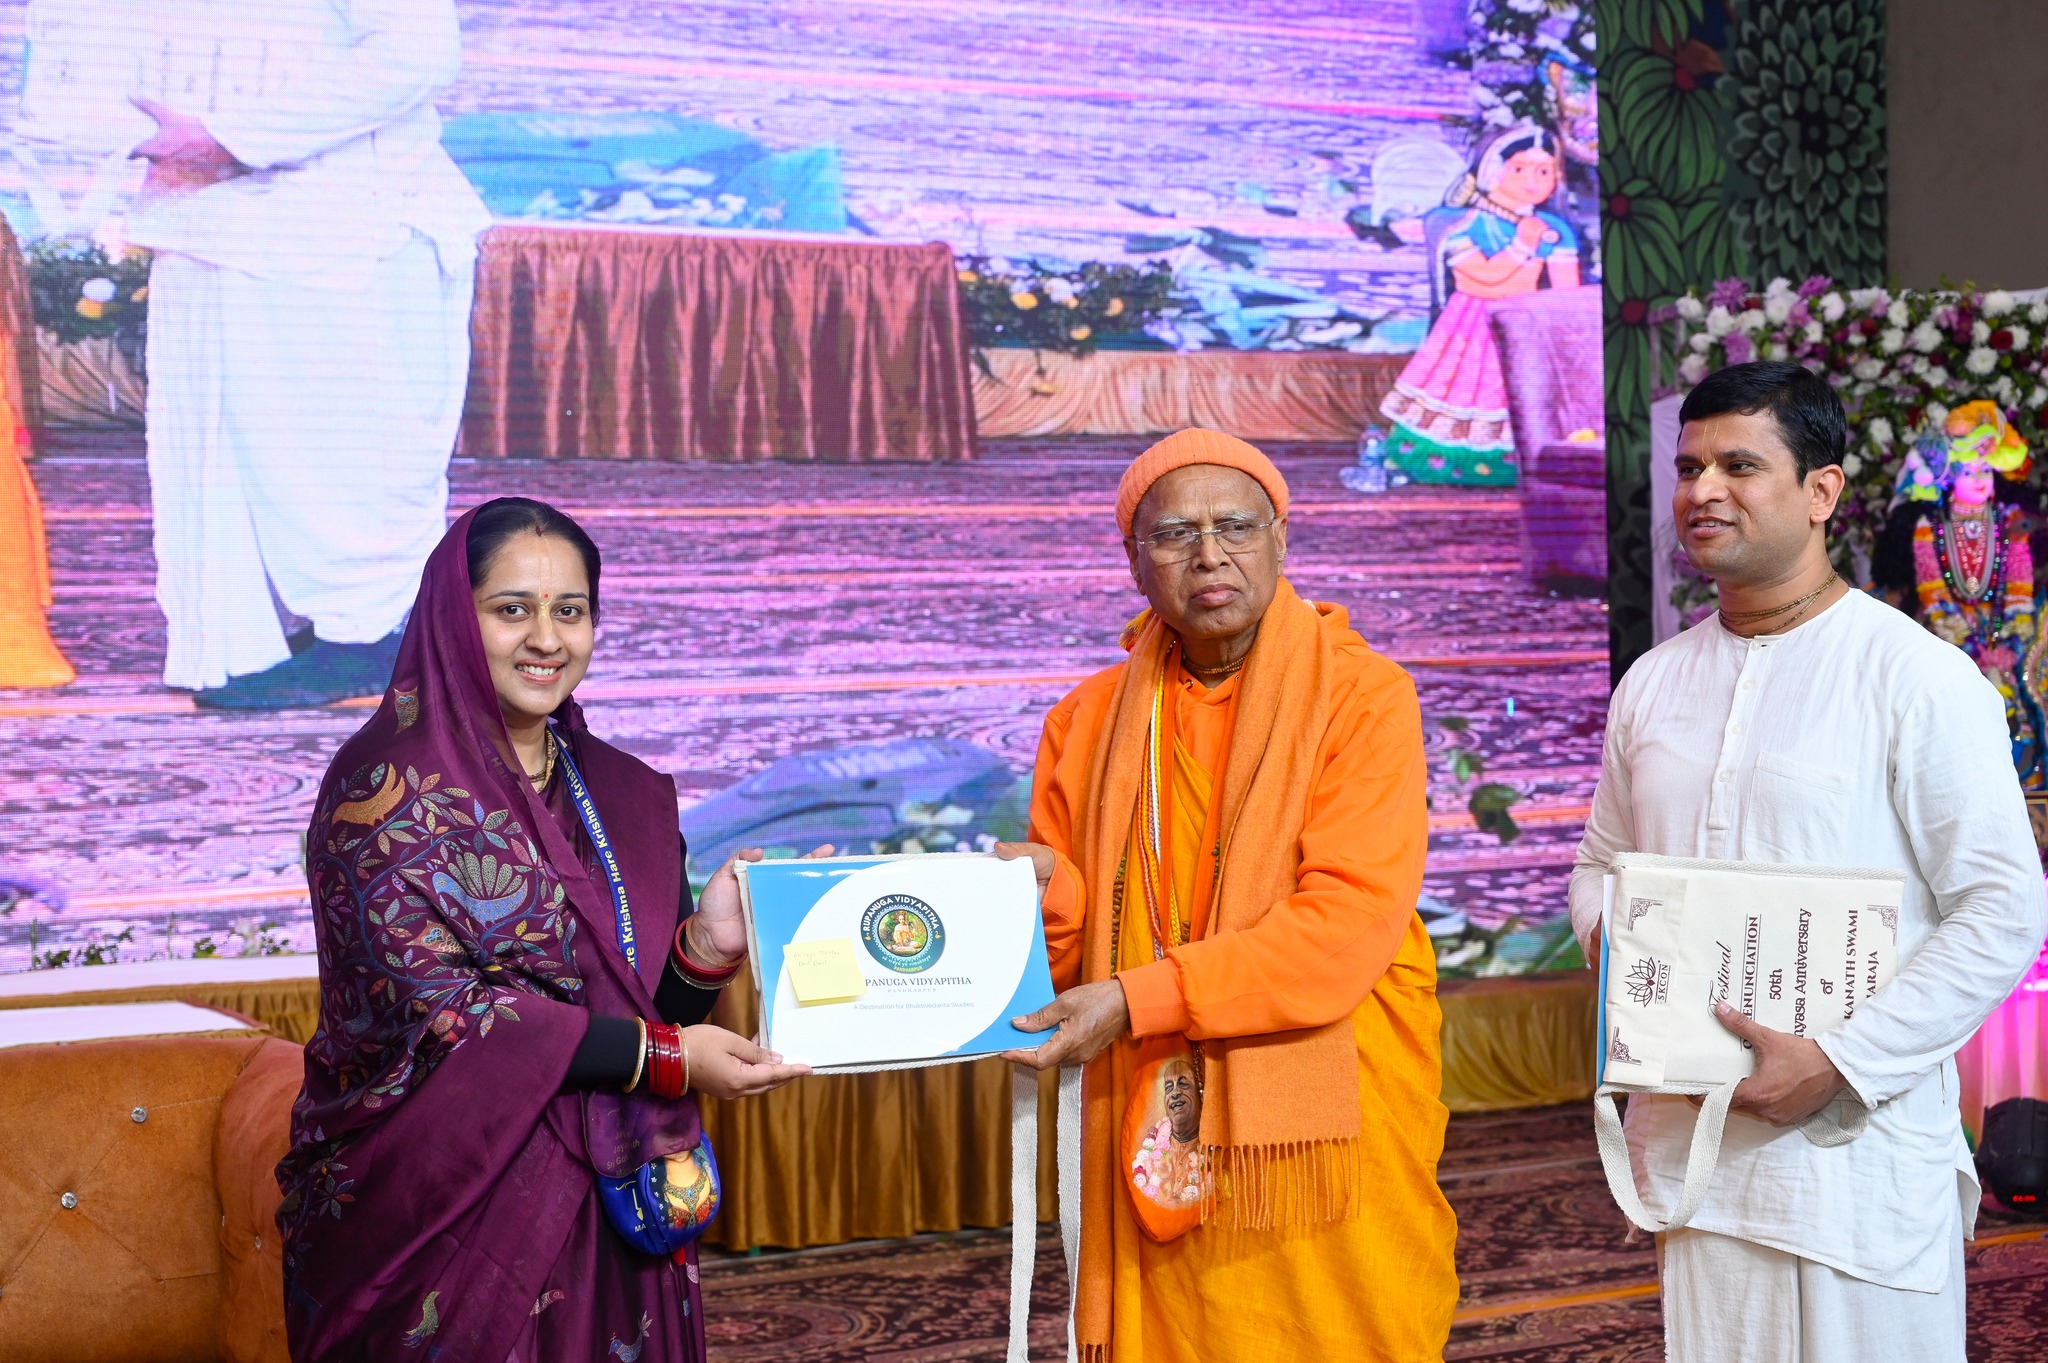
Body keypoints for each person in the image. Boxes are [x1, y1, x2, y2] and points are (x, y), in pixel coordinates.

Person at [1571, 362, 2047, 1363]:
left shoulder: (1916, 678)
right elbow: (1601, 865)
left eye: (1739, 465)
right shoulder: (1651, 685)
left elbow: (2002, 907)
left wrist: (1840, 1062)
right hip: (1695, 1155)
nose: (1703, 490)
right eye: (1689, 467)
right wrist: (1627, 960)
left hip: (1853, 1162)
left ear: (1821, 490)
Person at [278, 498, 817, 1361]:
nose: (546, 639)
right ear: (456, 620)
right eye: (512, 609)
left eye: (570, 610)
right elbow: (446, 1016)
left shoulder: (620, 792)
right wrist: (671, 1059)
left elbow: (643, 1004)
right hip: (439, 1208)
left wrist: (705, 947)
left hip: (610, 1204)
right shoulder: (381, 791)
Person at [999, 427, 1458, 1361]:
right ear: (1134, 562)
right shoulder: (1084, 721)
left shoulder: (1363, 697)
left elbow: (1344, 926)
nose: (1209, 554)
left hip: (1321, 1126)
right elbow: (1068, 950)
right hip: (1145, 1095)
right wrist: (1042, 901)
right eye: (1175, 535)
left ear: (1281, 539)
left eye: (1236, 526)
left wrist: (1138, 996)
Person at [125, 0, 491, 707]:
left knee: (335, 447)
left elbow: (415, 54)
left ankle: (371, 636)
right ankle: (297, 629)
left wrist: (232, 137)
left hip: (339, 224)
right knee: (248, 443)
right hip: (221, 218)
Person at [1379, 123, 1581, 487]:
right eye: (1520, 168)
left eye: (1545, 171)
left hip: (1529, 328)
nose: (1533, 181)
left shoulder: (1554, 228)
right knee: (1463, 392)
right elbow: (1478, 280)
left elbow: (1567, 293)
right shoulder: (1464, 222)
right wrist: (1522, 246)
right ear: (1492, 171)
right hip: (1474, 327)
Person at [1872, 401, 2044, 788]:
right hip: (1944, 625)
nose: (1979, 479)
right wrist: (1959, 639)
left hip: (2002, 624)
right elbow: (1932, 587)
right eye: (1969, 472)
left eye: (1985, 471)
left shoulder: (2009, 521)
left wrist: (2012, 633)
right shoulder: (1929, 525)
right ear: (1949, 478)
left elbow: (2019, 580)